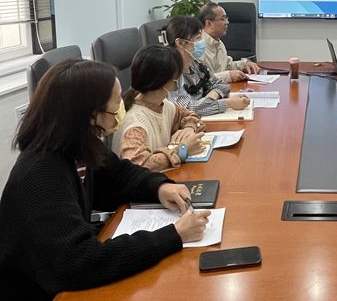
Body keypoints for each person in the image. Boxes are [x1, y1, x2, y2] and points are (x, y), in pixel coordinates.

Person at [0, 59, 210, 301]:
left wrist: (159, 187)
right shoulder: (41, 175)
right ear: (91, 114)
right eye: (116, 101)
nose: (122, 106)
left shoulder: (77, 145)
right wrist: (173, 235)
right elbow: (79, 262)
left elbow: (119, 175)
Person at [112, 45, 207, 172]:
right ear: (165, 81)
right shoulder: (135, 123)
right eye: (177, 76)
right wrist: (182, 150)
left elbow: (191, 116)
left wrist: (189, 127)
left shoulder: (163, 104)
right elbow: (138, 166)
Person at [163, 16, 250, 116]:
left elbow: (222, 85)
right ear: (180, 43)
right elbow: (189, 108)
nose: (202, 42)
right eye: (198, 38)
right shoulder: (171, 73)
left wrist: (210, 99)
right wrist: (228, 103)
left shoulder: (195, 65)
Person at [199, 2, 260, 82]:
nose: (227, 22)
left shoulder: (218, 43)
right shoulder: (198, 46)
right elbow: (200, 80)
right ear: (209, 23)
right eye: (223, 19)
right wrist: (228, 76)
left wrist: (244, 65)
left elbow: (227, 65)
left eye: (226, 18)